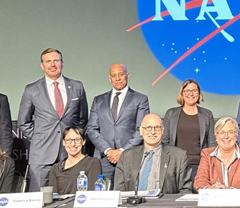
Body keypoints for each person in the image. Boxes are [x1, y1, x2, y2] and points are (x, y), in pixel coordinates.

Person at [18, 48, 89, 191]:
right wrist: (40, 137)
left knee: (70, 197)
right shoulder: (31, 89)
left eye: (56, 60)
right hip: (41, 155)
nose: (52, 64)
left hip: (70, 153)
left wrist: (72, 138)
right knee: (39, 200)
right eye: (48, 61)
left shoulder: (77, 86)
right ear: (42, 66)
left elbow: (82, 119)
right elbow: (23, 122)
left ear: (62, 64)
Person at [86, 63, 150, 184]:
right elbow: (91, 129)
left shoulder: (140, 99)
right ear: (110, 78)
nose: (117, 78)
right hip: (104, 158)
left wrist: (122, 151)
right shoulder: (98, 100)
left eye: (121, 74)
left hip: (130, 157)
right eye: (114, 75)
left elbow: (141, 129)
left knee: (128, 196)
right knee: (103, 197)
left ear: (127, 75)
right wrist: (108, 151)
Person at [114, 114, 193, 194]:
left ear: (162, 131)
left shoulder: (179, 156)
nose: (152, 132)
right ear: (141, 131)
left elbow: (185, 191)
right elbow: (119, 192)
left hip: (165, 205)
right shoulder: (126, 157)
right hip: (134, 205)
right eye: (148, 128)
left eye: (157, 128)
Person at [162, 79, 216, 179]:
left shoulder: (207, 115)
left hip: (199, 165)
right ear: (182, 93)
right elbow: (165, 141)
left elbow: (212, 143)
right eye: (187, 91)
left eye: (194, 91)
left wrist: (209, 166)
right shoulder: (171, 114)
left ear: (199, 93)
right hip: (175, 165)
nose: (191, 94)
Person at [194, 117, 240, 192]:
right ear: (216, 136)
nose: (226, 136)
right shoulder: (207, 154)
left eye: (230, 132)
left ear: (236, 135)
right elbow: (200, 179)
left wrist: (230, 191)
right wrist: (209, 189)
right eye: (222, 132)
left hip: (239, 200)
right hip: (214, 199)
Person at [48, 127, 102, 194]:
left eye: (77, 140)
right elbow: (53, 195)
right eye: (68, 140)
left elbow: (93, 192)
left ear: (83, 142)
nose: (73, 144)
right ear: (64, 142)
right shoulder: (55, 168)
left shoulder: (92, 163)